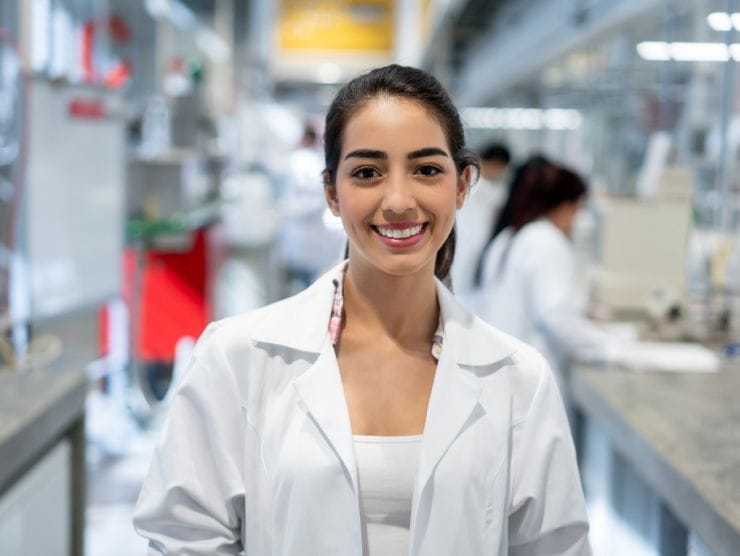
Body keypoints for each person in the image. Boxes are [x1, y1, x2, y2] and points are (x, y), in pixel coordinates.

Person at [133, 65, 591, 555]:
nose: (398, 200)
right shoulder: (238, 357)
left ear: (461, 187)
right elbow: (184, 538)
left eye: (427, 170)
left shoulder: (518, 380)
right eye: (368, 172)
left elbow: (554, 547)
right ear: (332, 192)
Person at [476, 158, 623, 389]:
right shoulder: (546, 240)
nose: (577, 220)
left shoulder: (509, 237)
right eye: (577, 209)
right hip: (529, 380)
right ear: (565, 206)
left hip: (504, 374)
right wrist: (610, 348)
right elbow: (556, 317)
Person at [278, 123, 345, 291]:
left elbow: (311, 197)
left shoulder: (300, 160)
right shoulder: (312, 160)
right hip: (309, 240)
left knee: (302, 290)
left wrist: (286, 208)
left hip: (304, 239)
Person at [450, 142, 511, 297]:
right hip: (465, 244)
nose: (500, 173)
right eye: (499, 168)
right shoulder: (479, 187)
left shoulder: (491, 188)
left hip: (470, 245)